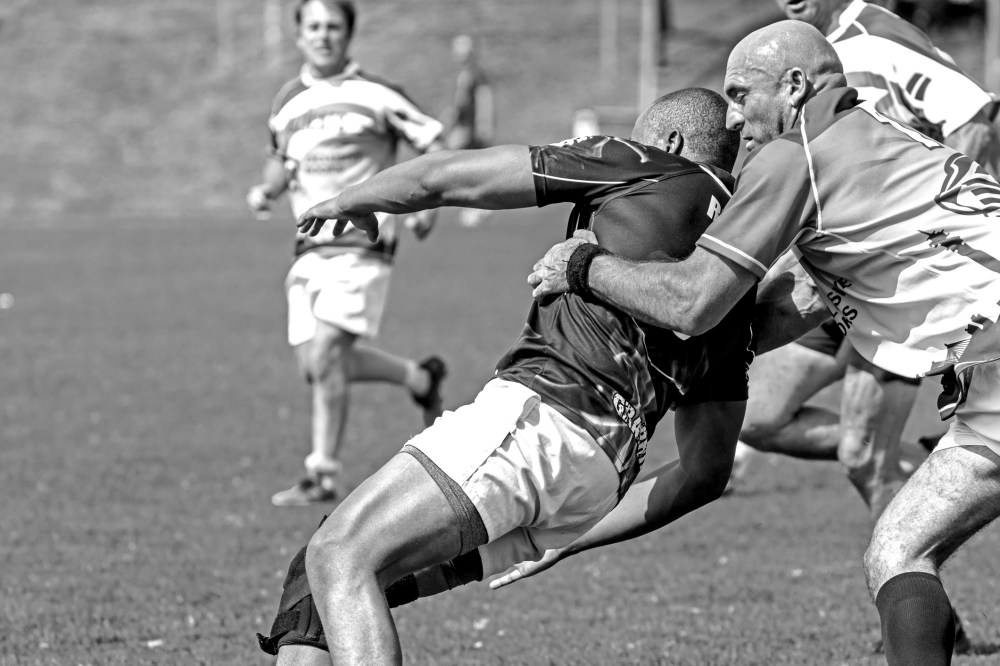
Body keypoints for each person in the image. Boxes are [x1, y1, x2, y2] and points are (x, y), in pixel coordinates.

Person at [528, 20, 1000, 665]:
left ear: (796, 86)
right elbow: (800, 298)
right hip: (987, 373)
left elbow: (695, 301)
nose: (730, 115)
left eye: (741, 92)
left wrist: (583, 268)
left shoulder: (795, 153)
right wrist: (698, 359)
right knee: (900, 549)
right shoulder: (882, 134)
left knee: (900, 552)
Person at [255, 88, 755, 664]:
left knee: (341, 554)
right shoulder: (729, 273)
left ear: (668, 141)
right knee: (316, 587)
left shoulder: (646, 163)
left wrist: (357, 197)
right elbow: (705, 473)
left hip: (545, 417)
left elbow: (445, 178)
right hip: (596, 482)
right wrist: (572, 540)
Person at [730, 0, 1000, 521]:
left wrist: (951, 228)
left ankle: (927, 522)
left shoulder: (873, 36)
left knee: (863, 457)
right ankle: (955, 465)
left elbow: (974, 116)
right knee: (758, 418)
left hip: (905, 276)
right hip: (825, 271)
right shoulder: (794, 55)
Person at [245, 0, 449, 506]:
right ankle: (419, 377)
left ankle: (323, 474)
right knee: (315, 367)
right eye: (313, 26)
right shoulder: (287, 100)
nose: (323, 35)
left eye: (333, 26)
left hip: (364, 241)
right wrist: (266, 191)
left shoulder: (377, 94)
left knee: (327, 354)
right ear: (299, 36)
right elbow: (280, 161)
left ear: (348, 34)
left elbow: (435, 141)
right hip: (308, 247)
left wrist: (429, 204)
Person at [441, 34, 496, 227]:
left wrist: (483, 124)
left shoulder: (474, 74)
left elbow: (483, 100)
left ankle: (476, 207)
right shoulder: (465, 75)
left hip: (469, 128)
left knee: (462, 165)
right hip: (463, 127)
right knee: (462, 165)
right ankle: (474, 207)